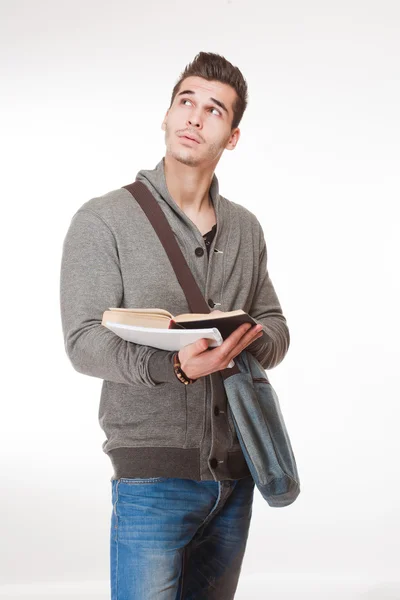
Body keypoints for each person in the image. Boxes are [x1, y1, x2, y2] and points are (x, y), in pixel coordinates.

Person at [60, 51, 290, 599]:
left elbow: (276, 325)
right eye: (185, 101)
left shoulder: (245, 228)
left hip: (238, 474)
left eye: (214, 109)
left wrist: (240, 340)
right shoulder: (103, 220)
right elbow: (83, 341)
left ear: (231, 137)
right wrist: (173, 365)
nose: (194, 117)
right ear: (165, 116)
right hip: (151, 479)